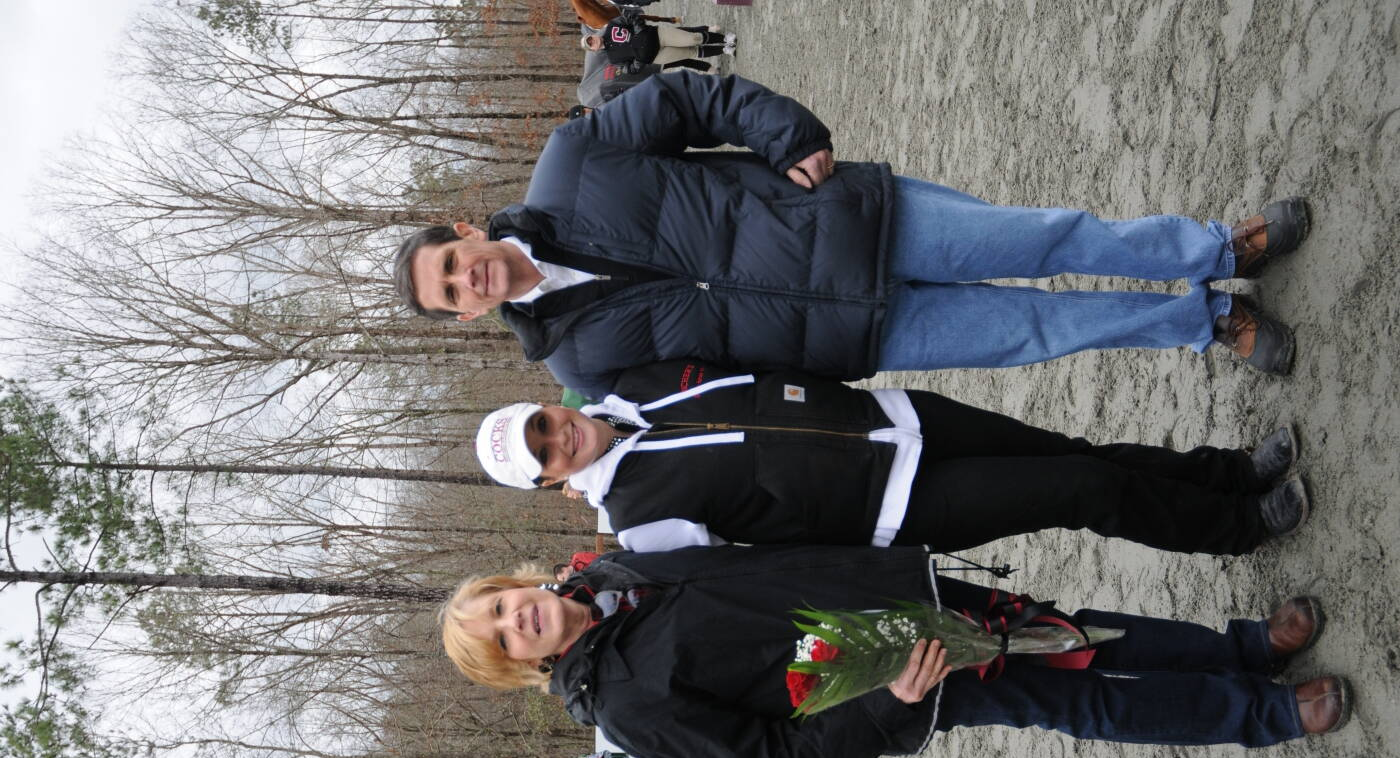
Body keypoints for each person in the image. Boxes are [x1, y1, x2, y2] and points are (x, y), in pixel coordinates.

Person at [393, 72, 1311, 400]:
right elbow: (710, 396)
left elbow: (689, 99)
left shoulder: (570, 164)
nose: (466, 281)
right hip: (846, 339)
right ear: (466, 317)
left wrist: (787, 133)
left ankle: (1218, 252)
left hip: (855, 222)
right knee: (1040, 331)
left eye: (450, 262)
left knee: (1048, 239)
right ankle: (1206, 324)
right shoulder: (577, 367)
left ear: (466, 230)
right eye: (450, 295)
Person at [439, 544, 1348, 758]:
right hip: (899, 673)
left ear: (518, 583)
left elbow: (763, 561)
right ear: (525, 661)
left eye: (501, 603)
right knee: (1080, 702)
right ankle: (1263, 715)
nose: (516, 618)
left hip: (900, 594)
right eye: (506, 637)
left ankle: (1245, 648)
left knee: (1074, 628)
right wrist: (890, 703)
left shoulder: (621, 571)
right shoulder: (625, 707)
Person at [473, 359, 1309, 556]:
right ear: (550, 484)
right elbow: (744, 566)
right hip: (894, 507)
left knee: (1077, 451)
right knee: (1079, 488)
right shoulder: (635, 522)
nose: (559, 439)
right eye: (544, 457)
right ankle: (1239, 527)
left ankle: (1231, 471)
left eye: (544, 423)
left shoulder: (638, 383)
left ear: (550, 404)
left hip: (897, 416)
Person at [581, 13, 733, 72]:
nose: (593, 41)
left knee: (693, 38)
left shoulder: (612, 26)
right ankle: (725, 50)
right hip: (657, 56)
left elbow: (630, 16)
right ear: (594, 50)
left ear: (593, 35)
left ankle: (724, 39)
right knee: (691, 52)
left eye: (591, 38)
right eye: (591, 44)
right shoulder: (612, 58)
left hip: (657, 35)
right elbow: (628, 69)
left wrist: (640, 28)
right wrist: (639, 63)